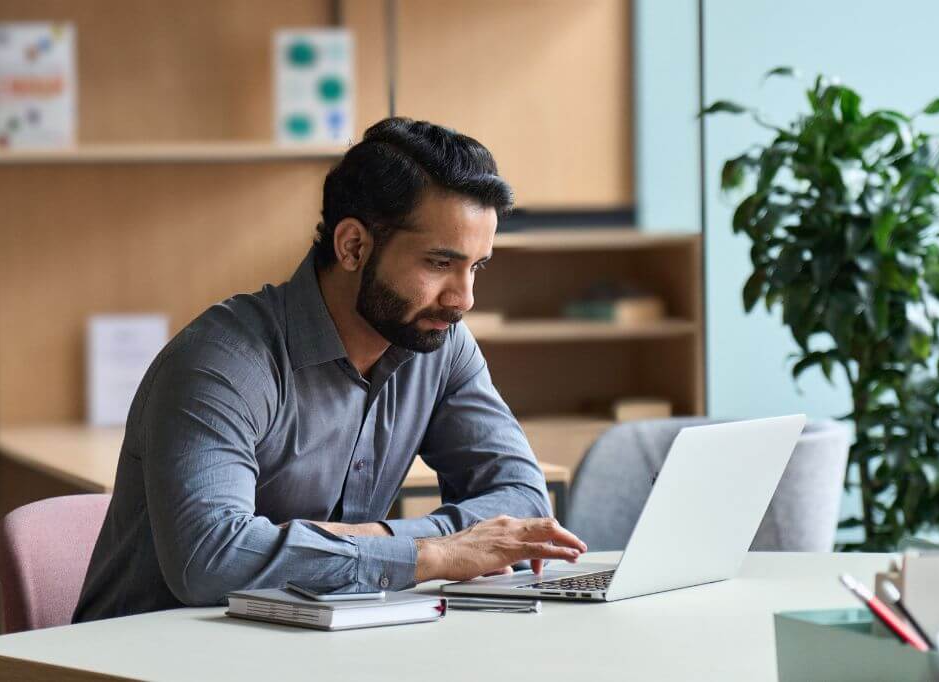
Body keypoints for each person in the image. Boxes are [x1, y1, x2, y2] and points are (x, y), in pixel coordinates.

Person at [73, 117, 587, 622]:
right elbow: (209, 560)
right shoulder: (221, 362)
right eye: (437, 263)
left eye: (475, 267)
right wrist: (432, 554)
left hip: (308, 652)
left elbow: (524, 506)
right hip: (145, 663)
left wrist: (380, 544)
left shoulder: (441, 344)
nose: (463, 299)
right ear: (352, 246)